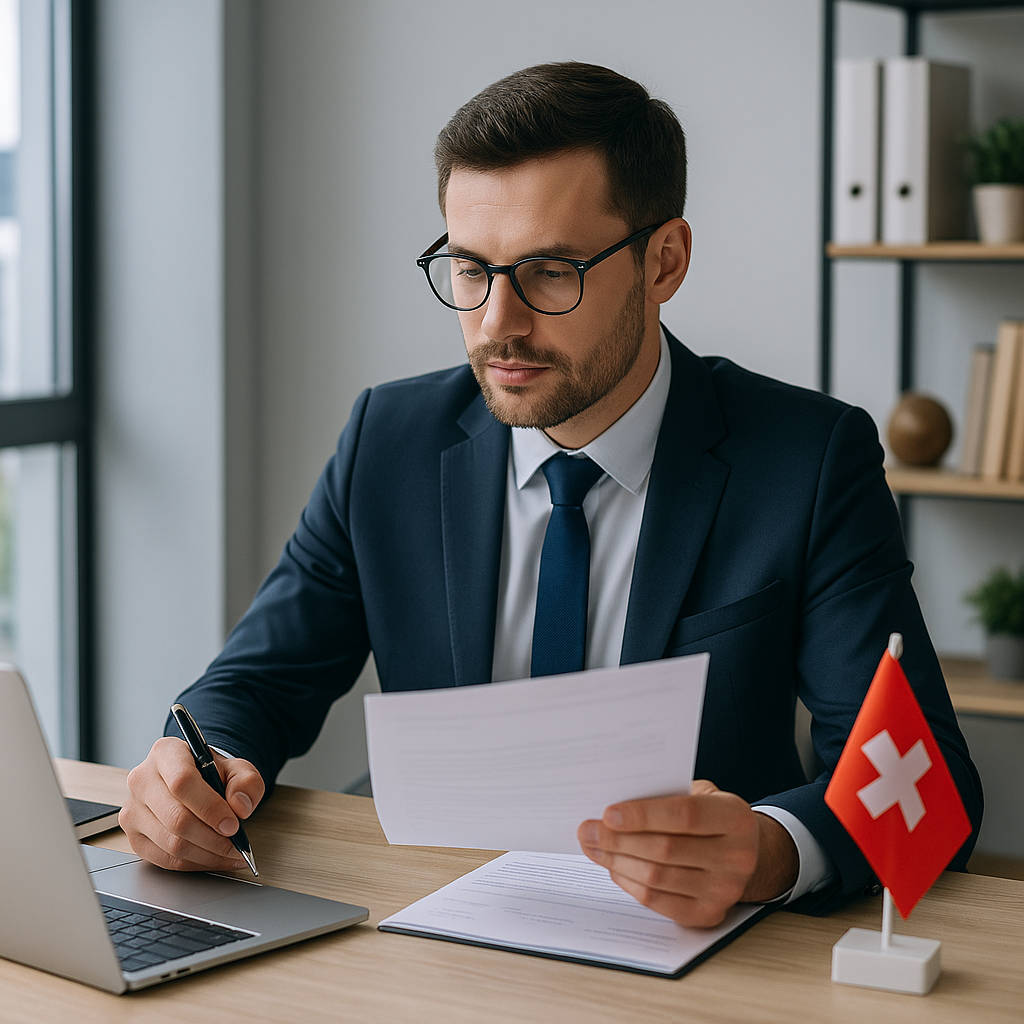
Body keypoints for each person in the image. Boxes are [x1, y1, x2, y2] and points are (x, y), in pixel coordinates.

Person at [120, 62, 982, 928]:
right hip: (423, 917)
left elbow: (926, 777)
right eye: (469, 269)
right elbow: (258, 682)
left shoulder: (808, 459)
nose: (497, 321)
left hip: (699, 948)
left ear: (664, 262)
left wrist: (771, 850)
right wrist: (196, 769)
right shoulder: (390, 439)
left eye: (550, 271)